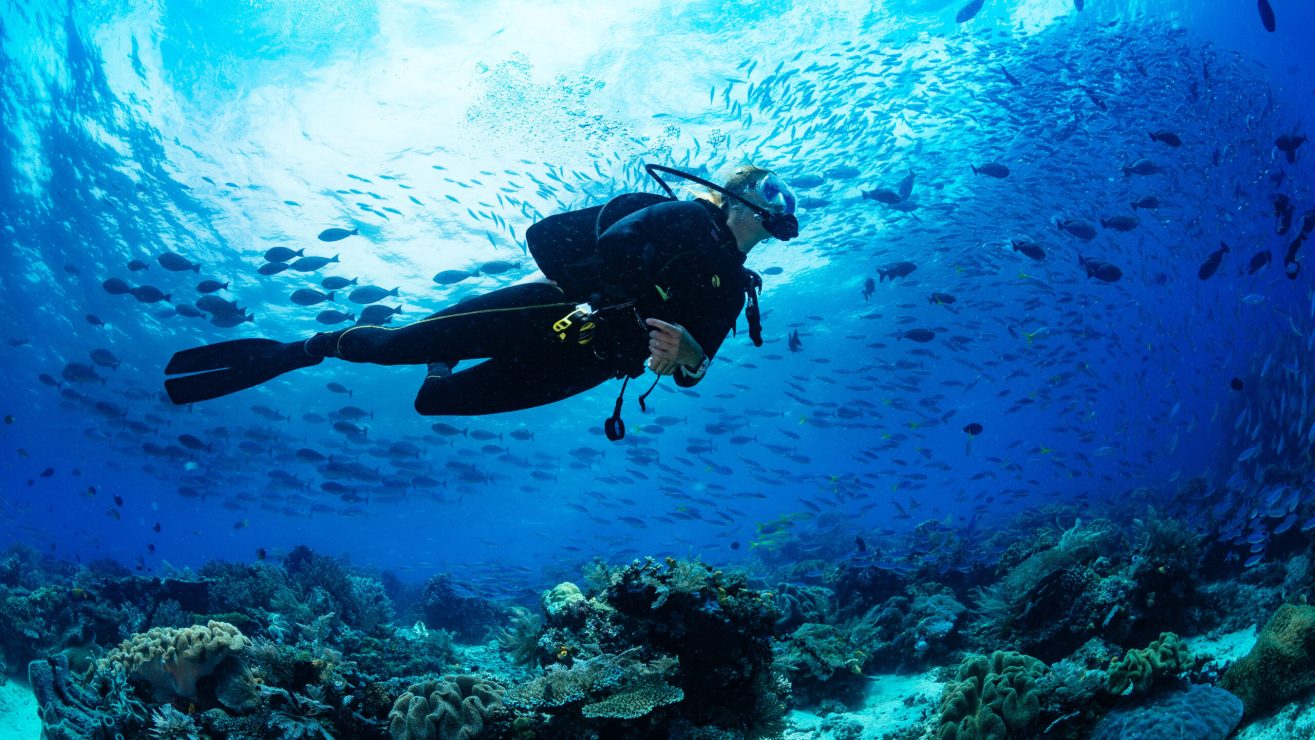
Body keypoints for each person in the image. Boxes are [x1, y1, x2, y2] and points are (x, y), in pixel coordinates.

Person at [163, 163, 799, 435]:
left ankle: (441, 369)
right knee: (392, 348)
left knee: (438, 401)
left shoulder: (736, 287)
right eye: (772, 188)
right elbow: (614, 246)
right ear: (738, 195)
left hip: (592, 362)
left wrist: (687, 357)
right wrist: (634, 307)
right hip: (556, 310)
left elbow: (695, 370)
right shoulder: (687, 217)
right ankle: (307, 347)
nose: (781, 203)